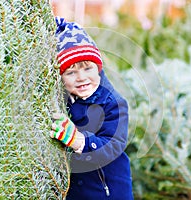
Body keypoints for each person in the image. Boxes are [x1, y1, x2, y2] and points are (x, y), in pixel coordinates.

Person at [50, 17, 133, 200]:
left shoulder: (113, 104)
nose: (81, 78)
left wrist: (80, 141)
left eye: (87, 69)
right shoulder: (62, 101)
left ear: (98, 69)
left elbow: (113, 145)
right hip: (77, 190)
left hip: (108, 191)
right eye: (71, 72)